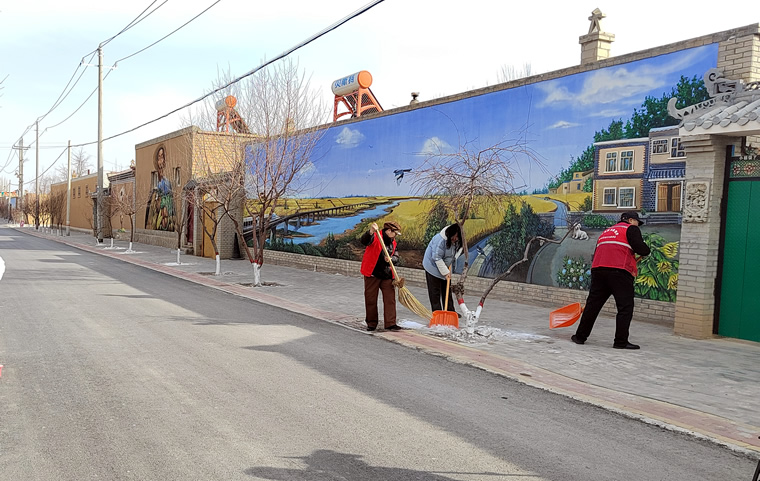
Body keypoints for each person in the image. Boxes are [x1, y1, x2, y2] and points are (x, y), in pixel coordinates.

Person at [572, 211, 651, 349]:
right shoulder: (631, 229)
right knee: (625, 307)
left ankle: (580, 337)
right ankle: (620, 342)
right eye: (637, 222)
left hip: (598, 270)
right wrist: (646, 250)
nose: (638, 225)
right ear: (630, 220)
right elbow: (642, 249)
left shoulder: (606, 232)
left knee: (592, 306)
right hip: (619, 271)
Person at [360, 221, 402, 332]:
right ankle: (371, 323)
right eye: (394, 233)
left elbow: (396, 257)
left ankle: (390, 323)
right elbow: (364, 241)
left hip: (387, 274)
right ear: (389, 231)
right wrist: (370, 231)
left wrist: (391, 259)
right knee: (370, 299)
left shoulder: (393, 242)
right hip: (373, 273)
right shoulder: (375, 237)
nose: (395, 236)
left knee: (390, 299)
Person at [422, 223, 462, 314]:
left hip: (445, 266)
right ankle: (437, 312)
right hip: (432, 267)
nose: (455, 239)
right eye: (454, 236)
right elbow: (436, 258)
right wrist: (445, 272)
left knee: (447, 290)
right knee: (435, 292)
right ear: (450, 233)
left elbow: (458, 251)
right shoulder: (439, 240)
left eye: (457, 237)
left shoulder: (457, 241)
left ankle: (450, 311)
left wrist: (453, 260)